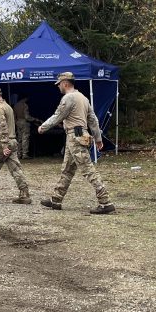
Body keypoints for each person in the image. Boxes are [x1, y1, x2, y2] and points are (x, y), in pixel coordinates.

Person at [36, 72, 116, 215]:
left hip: (75, 136)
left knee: (88, 170)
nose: (58, 86)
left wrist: (43, 127)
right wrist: (98, 138)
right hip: (79, 135)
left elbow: (58, 116)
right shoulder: (83, 98)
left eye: (59, 84)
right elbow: (93, 120)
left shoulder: (68, 98)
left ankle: (105, 202)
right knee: (67, 170)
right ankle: (56, 199)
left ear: (65, 83)